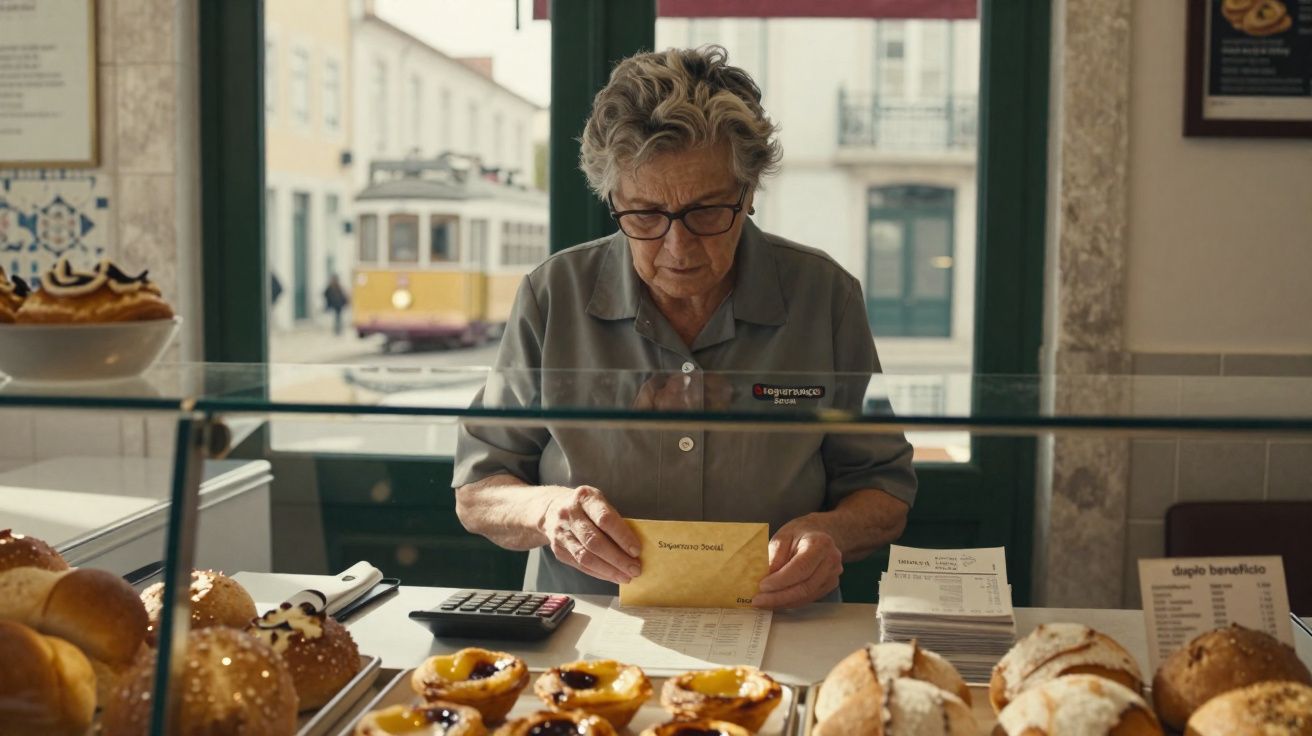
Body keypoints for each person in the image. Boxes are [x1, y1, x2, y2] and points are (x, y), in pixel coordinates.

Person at [453, 46, 915, 609]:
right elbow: (479, 491)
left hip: (779, 626)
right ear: (613, 199)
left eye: (705, 212)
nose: (678, 247)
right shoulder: (553, 295)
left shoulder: (825, 296)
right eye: (645, 215)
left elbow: (884, 488)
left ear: (748, 195)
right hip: (586, 632)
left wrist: (831, 534)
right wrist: (549, 512)